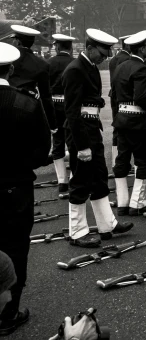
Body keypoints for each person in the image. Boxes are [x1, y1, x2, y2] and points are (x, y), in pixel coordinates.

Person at [62, 30, 133, 247]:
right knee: (81, 181)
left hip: (92, 130)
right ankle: (77, 232)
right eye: (102, 52)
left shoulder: (90, 67)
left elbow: (87, 100)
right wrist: (82, 145)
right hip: (81, 132)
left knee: (99, 178)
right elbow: (72, 111)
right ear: (90, 48)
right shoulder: (75, 70)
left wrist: (96, 103)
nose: (105, 57)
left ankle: (107, 225)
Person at [0, 42, 51, 335]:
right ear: (10, 69)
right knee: (16, 248)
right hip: (15, 187)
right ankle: (9, 313)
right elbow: (43, 151)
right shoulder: (27, 103)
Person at [111, 31, 146, 215]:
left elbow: (115, 95)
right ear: (141, 48)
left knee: (122, 161)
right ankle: (137, 203)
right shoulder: (141, 68)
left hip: (121, 119)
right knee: (142, 160)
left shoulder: (121, 65)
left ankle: (122, 202)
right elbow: (140, 97)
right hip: (137, 120)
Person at [8, 25, 56, 131]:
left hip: (5, 104)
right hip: (28, 107)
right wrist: (52, 123)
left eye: (14, 39)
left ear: (17, 42)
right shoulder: (42, 64)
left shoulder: (7, 59)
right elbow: (46, 96)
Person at [48, 34, 77, 197]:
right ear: (71, 47)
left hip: (53, 105)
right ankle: (73, 178)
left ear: (57, 47)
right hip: (70, 105)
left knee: (57, 143)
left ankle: (62, 181)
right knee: (73, 142)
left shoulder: (48, 63)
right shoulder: (75, 63)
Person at [108, 35, 131, 164]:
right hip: (124, 97)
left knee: (117, 129)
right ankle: (122, 162)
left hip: (114, 96)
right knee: (126, 131)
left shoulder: (114, 59)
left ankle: (115, 161)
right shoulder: (127, 59)